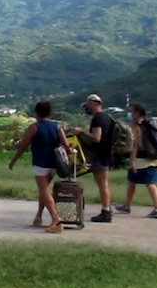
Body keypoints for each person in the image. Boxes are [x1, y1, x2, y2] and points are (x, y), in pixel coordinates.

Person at [8, 100, 70, 233]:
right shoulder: (58, 127)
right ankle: (39, 217)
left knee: (44, 191)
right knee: (45, 190)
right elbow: (66, 146)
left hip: (41, 164)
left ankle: (56, 219)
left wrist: (14, 161)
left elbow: (23, 147)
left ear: (36, 113)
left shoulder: (34, 127)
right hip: (54, 163)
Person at [115, 103, 157, 218]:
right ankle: (127, 205)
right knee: (136, 183)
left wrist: (132, 161)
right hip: (151, 158)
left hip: (140, 160)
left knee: (147, 183)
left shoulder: (136, 127)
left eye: (131, 112)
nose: (130, 114)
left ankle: (156, 208)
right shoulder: (149, 124)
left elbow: (135, 145)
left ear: (137, 113)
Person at [73, 94, 114, 223]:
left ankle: (106, 211)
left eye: (88, 105)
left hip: (100, 155)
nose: (87, 108)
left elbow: (97, 138)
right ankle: (107, 208)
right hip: (107, 154)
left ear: (93, 104)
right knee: (103, 183)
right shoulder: (108, 117)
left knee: (102, 184)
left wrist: (81, 132)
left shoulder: (98, 118)